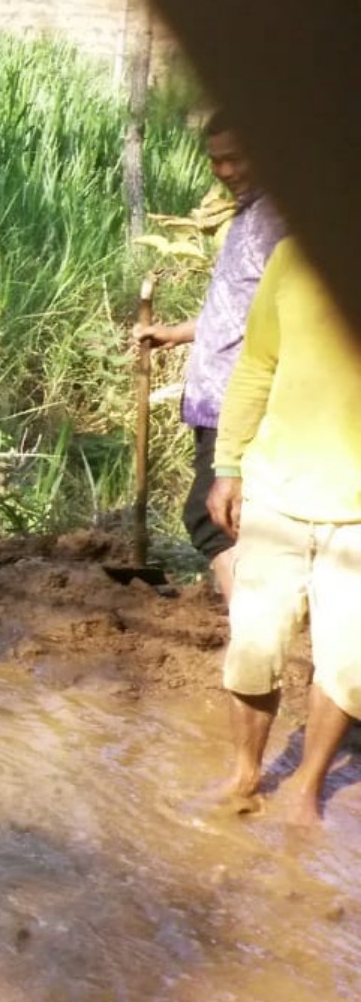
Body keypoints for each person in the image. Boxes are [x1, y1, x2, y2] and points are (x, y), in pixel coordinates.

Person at [206, 235, 361, 828]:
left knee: (346, 662)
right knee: (253, 645)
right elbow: (257, 365)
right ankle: (244, 777)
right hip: (275, 490)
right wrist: (227, 466)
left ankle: (306, 787)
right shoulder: (293, 254)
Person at [133, 113, 287, 604]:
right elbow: (238, 309)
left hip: (239, 397)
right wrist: (176, 333)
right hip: (220, 393)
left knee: (214, 518)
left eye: (234, 158)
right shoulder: (248, 216)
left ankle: (253, 634)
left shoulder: (277, 223)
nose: (222, 170)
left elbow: (283, 318)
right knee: (229, 516)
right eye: (215, 160)